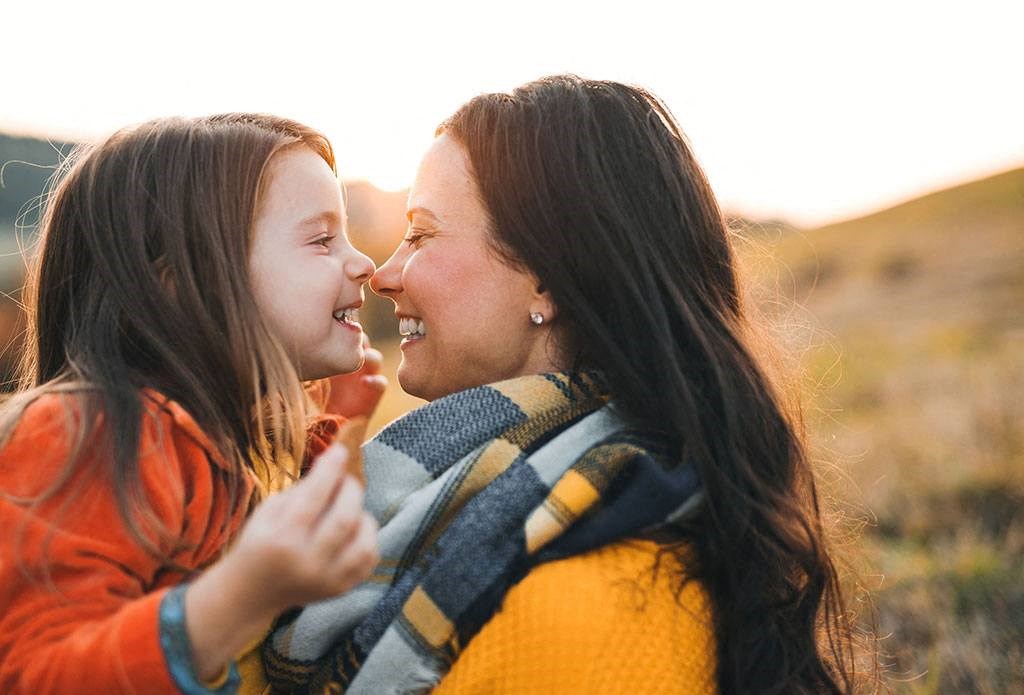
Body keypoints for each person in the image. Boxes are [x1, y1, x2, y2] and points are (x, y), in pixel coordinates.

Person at [264, 76, 865, 694]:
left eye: (420, 233)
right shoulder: (525, 511)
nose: (383, 275)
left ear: (544, 279)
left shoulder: (578, 620)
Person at [0, 114, 385, 694]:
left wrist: (320, 438)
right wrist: (239, 597)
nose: (363, 263)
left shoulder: (215, 441)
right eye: (321, 240)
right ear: (179, 284)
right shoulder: (87, 433)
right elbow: (34, 673)